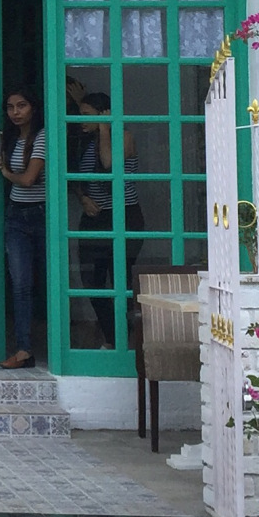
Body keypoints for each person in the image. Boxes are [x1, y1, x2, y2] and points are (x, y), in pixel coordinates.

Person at [74, 91, 143, 348]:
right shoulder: (86, 143)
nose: (81, 120)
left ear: (104, 115)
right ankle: (114, 337)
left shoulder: (124, 137)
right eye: (79, 114)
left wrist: (105, 128)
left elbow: (108, 165)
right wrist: (83, 198)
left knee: (119, 281)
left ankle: (124, 341)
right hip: (94, 218)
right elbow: (76, 177)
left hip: (123, 216)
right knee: (93, 282)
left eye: (86, 115)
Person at [0, 86, 45, 368]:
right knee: (20, 284)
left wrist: (5, 172)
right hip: (16, 216)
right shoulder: (12, 139)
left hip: (41, 214)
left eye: (22, 105)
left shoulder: (42, 137)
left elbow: (28, 180)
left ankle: (57, 346)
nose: (15, 112)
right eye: (10, 107)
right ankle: (24, 349)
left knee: (47, 281)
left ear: (33, 108)